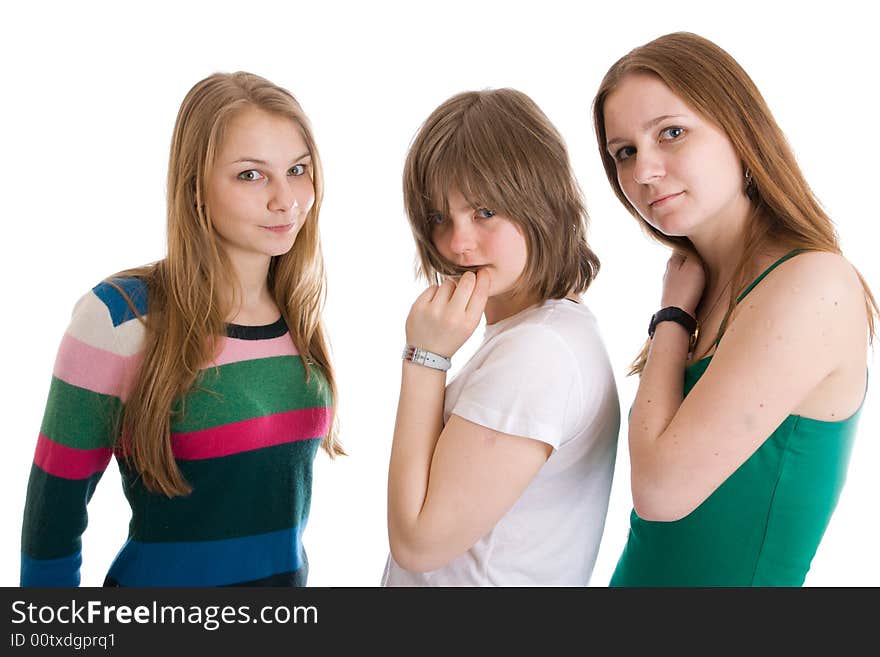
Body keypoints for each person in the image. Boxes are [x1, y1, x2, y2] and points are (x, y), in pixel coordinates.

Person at [20, 71, 341, 587]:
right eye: (251, 175)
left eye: (298, 170)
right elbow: (50, 522)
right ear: (195, 186)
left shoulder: (296, 313)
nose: (287, 200)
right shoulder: (121, 315)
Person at [592, 32, 877, 586]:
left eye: (671, 133)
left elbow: (659, 491)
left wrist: (671, 319)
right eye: (624, 152)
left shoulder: (813, 283)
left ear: (740, 132)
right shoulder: (706, 282)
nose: (644, 171)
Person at [382, 88, 620, 586]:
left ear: (541, 201)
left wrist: (424, 358)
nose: (456, 243)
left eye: (484, 211)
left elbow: (417, 543)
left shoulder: (538, 352)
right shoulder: (535, 334)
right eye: (439, 218)